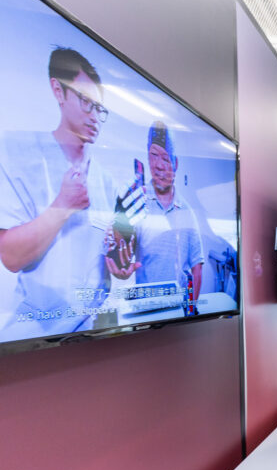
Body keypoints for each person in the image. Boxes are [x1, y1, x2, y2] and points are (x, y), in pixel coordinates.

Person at [0, 47, 116, 338]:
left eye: (99, 109)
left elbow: (106, 265)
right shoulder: (18, 156)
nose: (94, 117)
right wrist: (63, 205)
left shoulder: (106, 180)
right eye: (86, 102)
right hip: (36, 338)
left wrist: (121, 266)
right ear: (58, 91)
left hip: (93, 336)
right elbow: (11, 256)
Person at [117, 122, 204, 312]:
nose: (158, 166)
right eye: (153, 156)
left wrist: (192, 310)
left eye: (165, 158)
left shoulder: (187, 212)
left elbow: (197, 267)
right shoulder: (137, 204)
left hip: (178, 310)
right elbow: (121, 258)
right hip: (145, 309)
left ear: (176, 163)